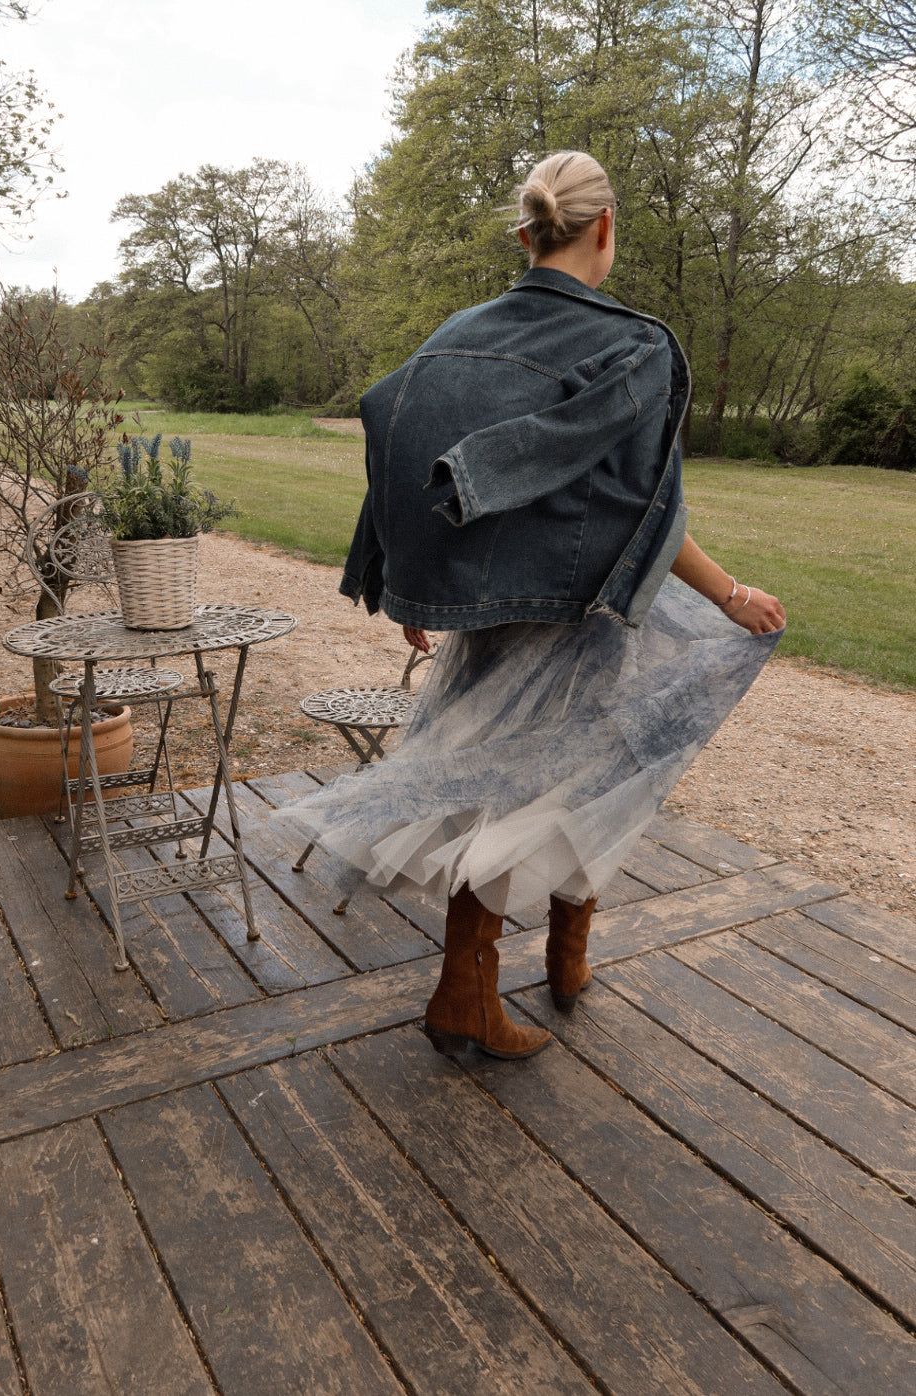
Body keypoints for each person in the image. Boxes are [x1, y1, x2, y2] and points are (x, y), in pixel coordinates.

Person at [273, 151, 785, 1061]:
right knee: (562, 779)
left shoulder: (453, 335)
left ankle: (554, 959)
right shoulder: (636, 347)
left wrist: (402, 573)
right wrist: (733, 596)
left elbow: (392, 427)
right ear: (606, 229)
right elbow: (650, 512)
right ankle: (475, 990)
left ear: (526, 235)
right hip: (581, 615)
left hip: (490, 609)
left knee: (514, 781)